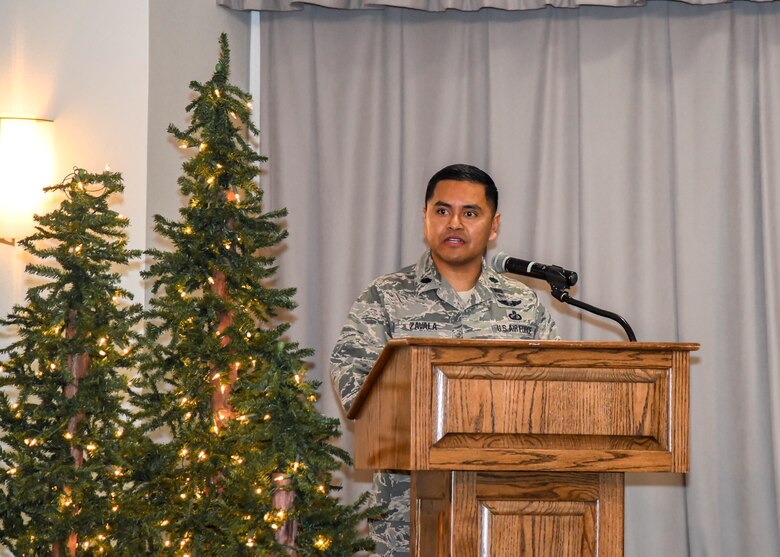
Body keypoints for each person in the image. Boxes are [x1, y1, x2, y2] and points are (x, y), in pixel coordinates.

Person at [329, 163, 559, 557]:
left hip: (506, 510)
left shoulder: (524, 303)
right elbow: (354, 383)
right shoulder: (384, 297)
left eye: (470, 213)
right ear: (425, 218)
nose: (454, 222)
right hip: (409, 513)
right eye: (442, 211)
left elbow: (554, 393)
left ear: (494, 225)